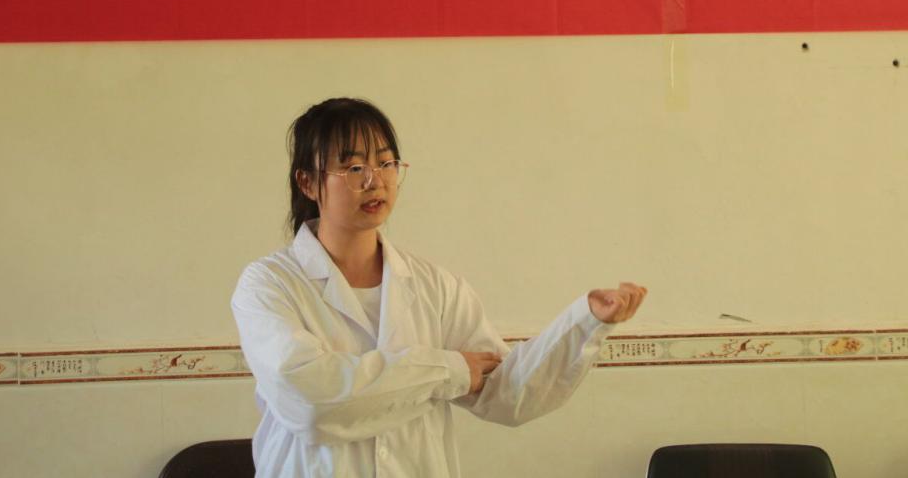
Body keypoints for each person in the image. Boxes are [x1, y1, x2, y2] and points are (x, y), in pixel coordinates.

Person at [231, 97, 648, 477]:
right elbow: (312, 402)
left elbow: (506, 393)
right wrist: (448, 370)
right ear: (307, 182)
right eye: (354, 167)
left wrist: (586, 321)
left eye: (386, 163)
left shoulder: (435, 287)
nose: (375, 181)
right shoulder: (269, 285)